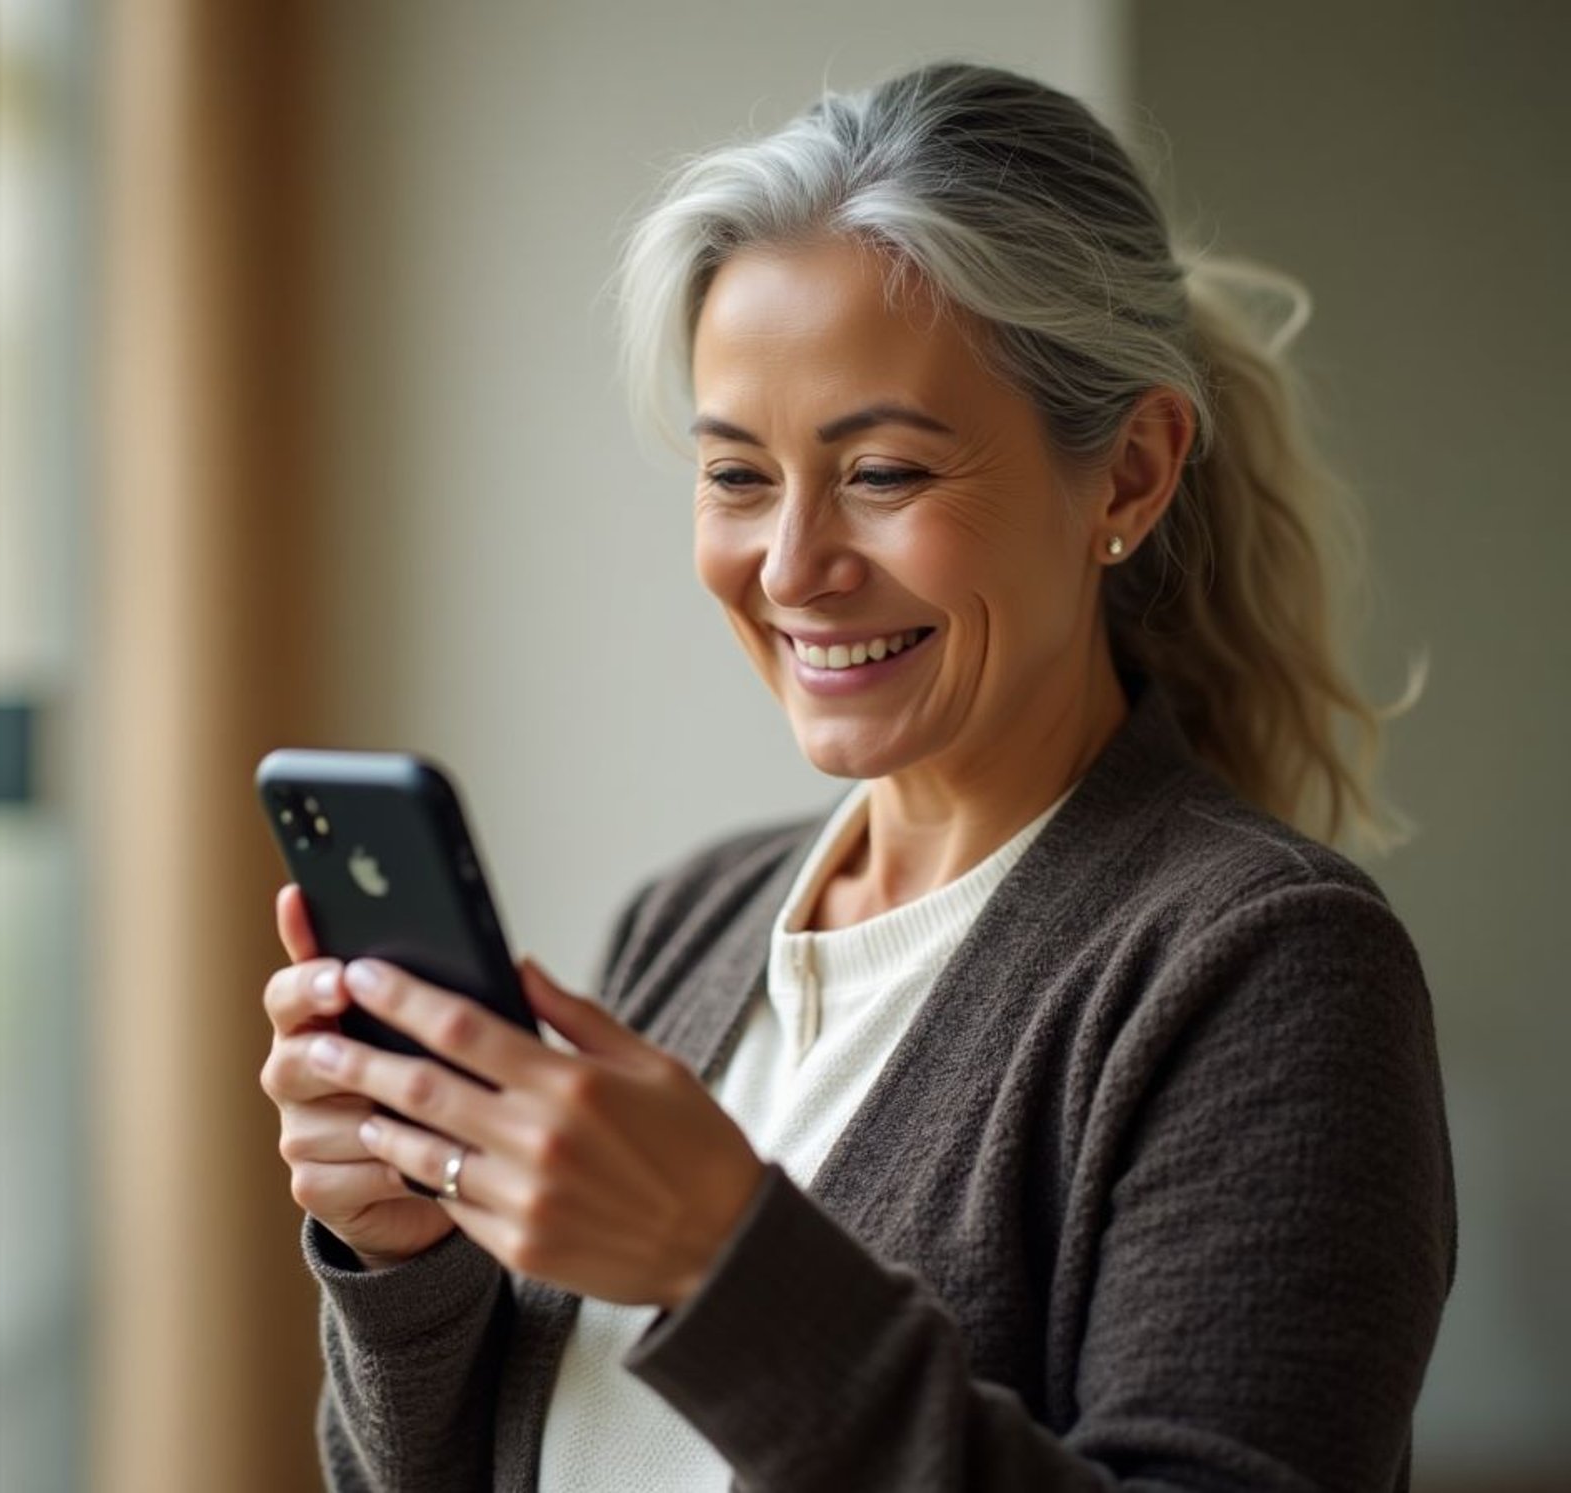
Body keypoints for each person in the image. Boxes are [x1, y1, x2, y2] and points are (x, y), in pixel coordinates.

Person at [260, 61, 1454, 1492]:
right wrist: (407, 1256)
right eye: (738, 475)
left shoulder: (1267, 969)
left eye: (881, 473)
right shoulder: (687, 926)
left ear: (1129, 474)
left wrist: (720, 1261)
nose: (790, 569)